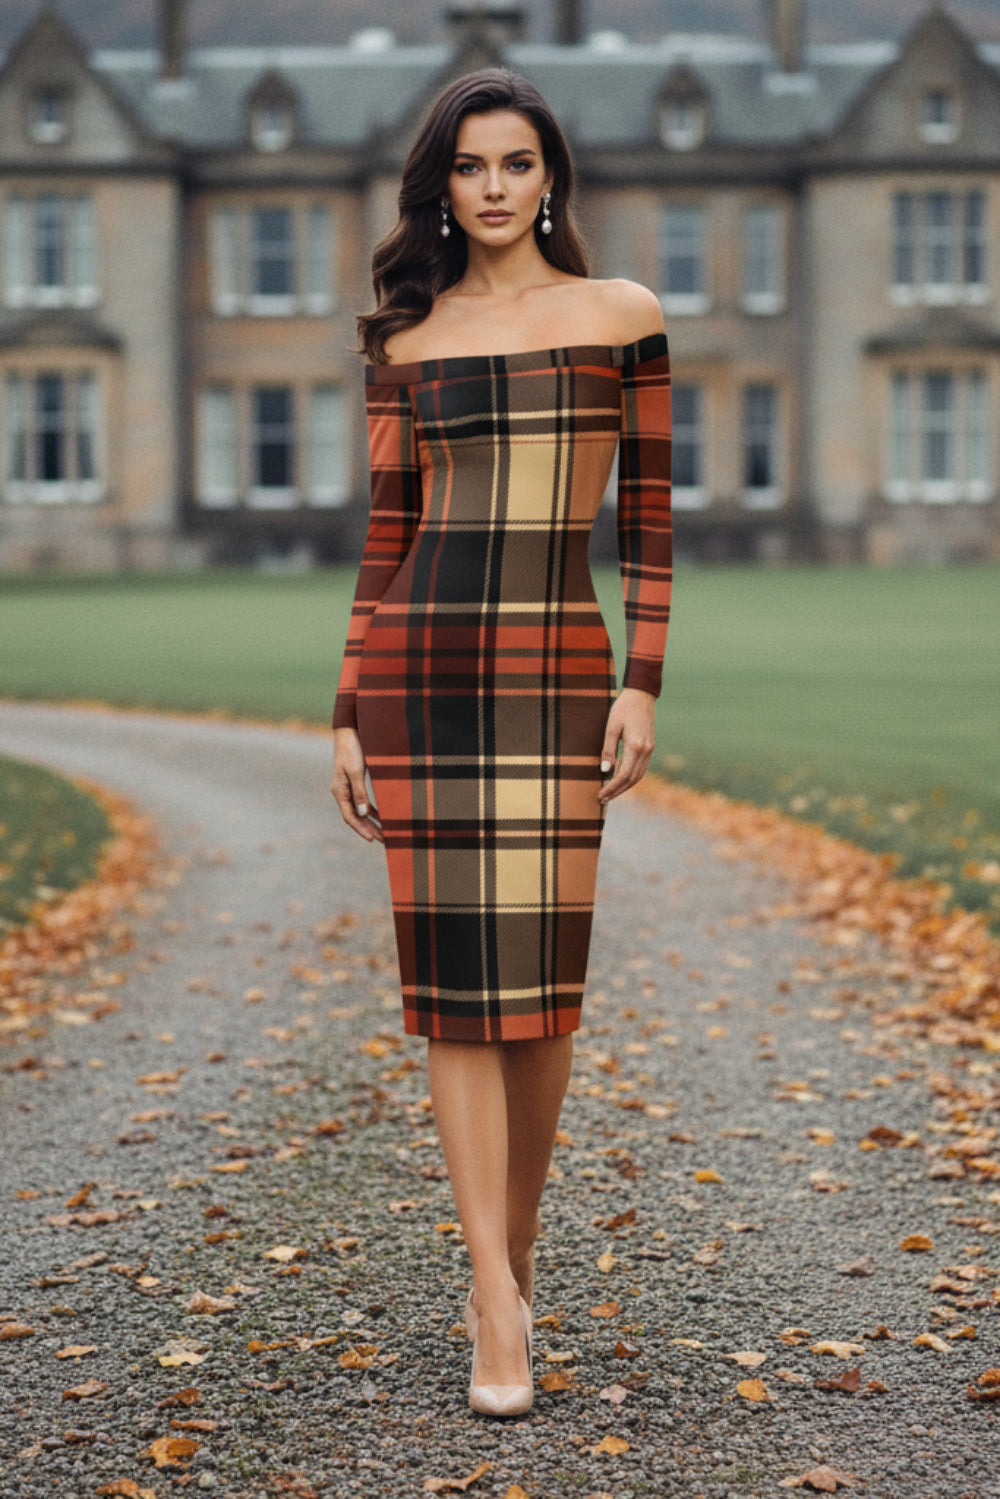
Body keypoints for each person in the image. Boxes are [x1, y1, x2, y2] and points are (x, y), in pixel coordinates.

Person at [331, 67, 671, 1417]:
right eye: (467, 168)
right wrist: (347, 711)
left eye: (514, 165)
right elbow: (384, 539)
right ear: (442, 184)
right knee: (455, 998)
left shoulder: (622, 317)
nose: (489, 189)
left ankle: (511, 1265)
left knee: (543, 1000)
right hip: (421, 671)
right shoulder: (407, 343)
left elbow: (648, 515)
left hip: (556, 672)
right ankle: (493, 1301)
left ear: (551, 178)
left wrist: (641, 682)